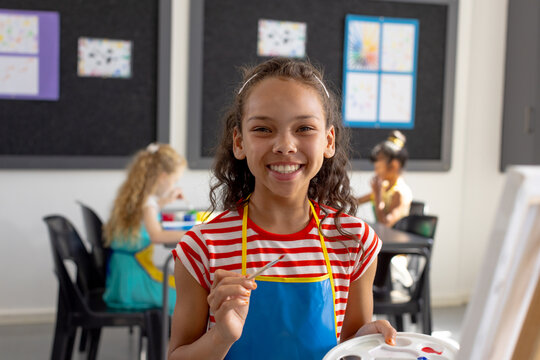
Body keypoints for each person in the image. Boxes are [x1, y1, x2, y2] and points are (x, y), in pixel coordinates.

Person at [168, 57, 396, 360]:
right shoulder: (202, 248)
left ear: (329, 141)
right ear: (239, 142)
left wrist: (364, 341)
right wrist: (221, 336)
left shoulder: (354, 241)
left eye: (304, 128)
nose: (285, 145)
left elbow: (347, 345)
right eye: (263, 129)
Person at [103, 143, 187, 314]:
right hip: (134, 282)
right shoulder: (147, 204)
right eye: (174, 180)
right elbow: (156, 235)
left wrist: (166, 201)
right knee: (187, 297)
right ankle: (183, 338)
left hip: (123, 279)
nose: (174, 185)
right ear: (163, 177)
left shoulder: (140, 199)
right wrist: (194, 233)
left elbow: (148, 214)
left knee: (182, 289)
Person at [356, 130, 412, 227]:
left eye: (378, 168)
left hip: (394, 240)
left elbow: (385, 224)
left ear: (394, 165)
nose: (376, 172)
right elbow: (357, 201)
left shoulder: (400, 193)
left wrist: (378, 195)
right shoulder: (384, 187)